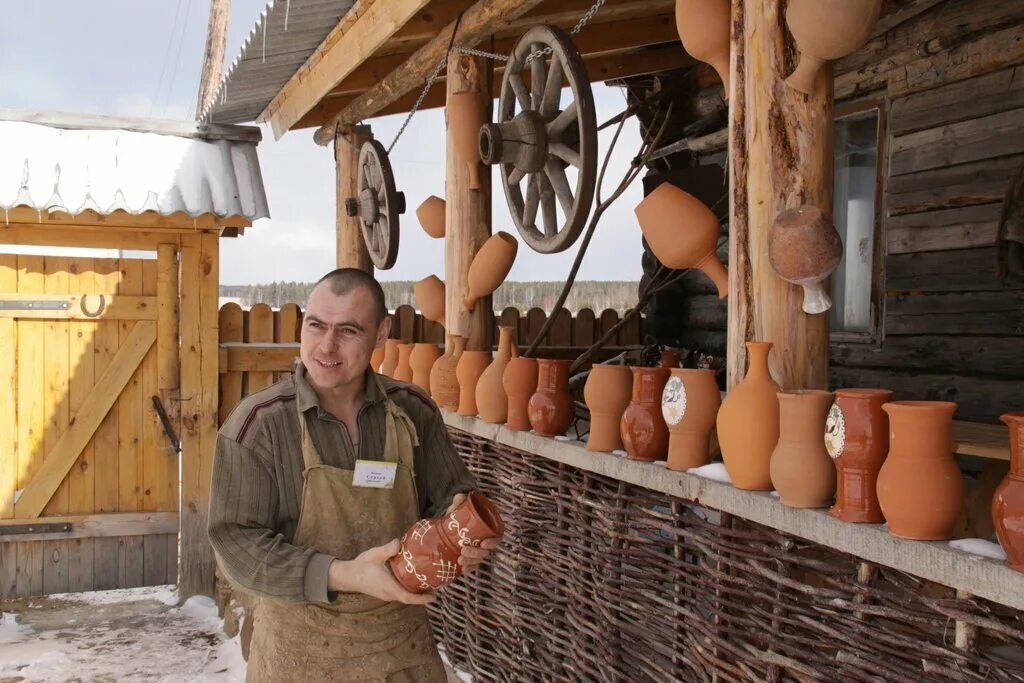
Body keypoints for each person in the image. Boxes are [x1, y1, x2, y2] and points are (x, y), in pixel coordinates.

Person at [208, 268, 499, 682]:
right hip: (300, 658)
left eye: (348, 330)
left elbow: (451, 495)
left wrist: (464, 530)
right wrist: (343, 574)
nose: (327, 346)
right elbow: (236, 545)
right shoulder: (259, 425)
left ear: (381, 333)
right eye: (316, 326)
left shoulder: (413, 410)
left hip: (403, 651)